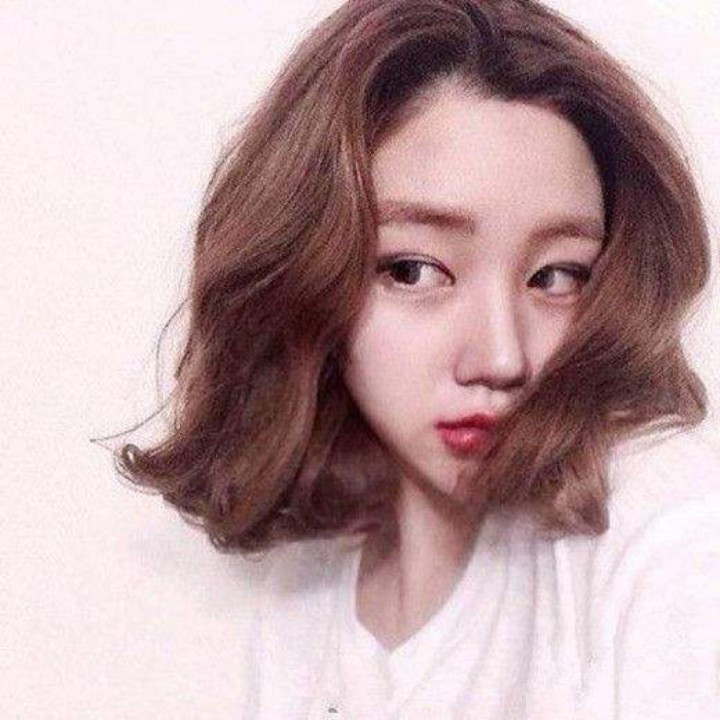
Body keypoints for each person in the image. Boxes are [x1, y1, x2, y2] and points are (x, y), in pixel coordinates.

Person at [114, 0, 720, 717]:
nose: (501, 356)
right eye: (414, 271)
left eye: (556, 276)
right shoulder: (307, 595)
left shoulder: (670, 543)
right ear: (306, 276)